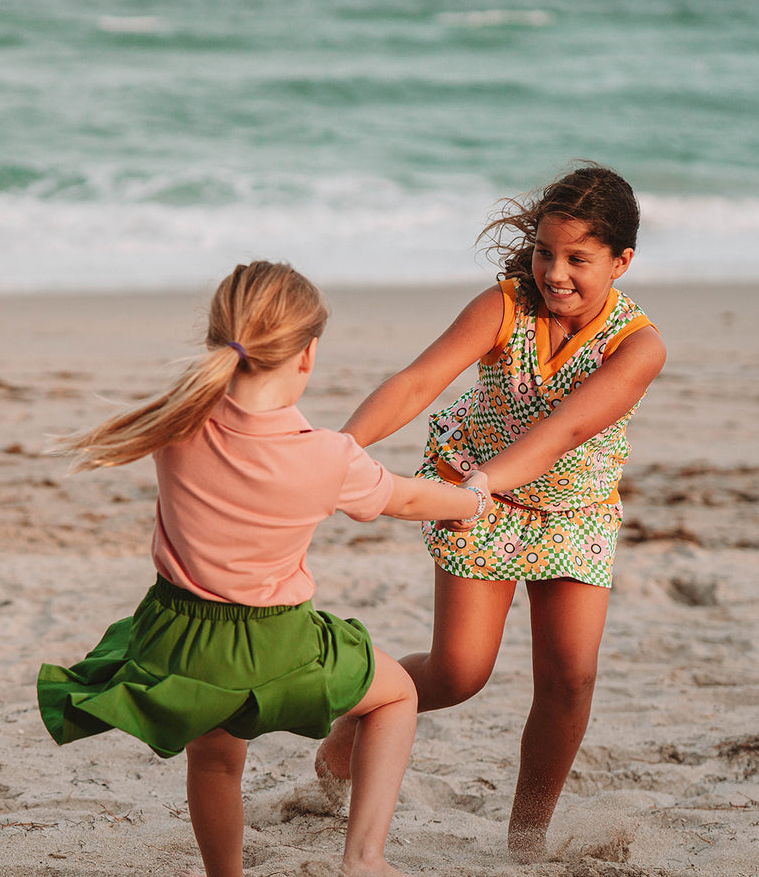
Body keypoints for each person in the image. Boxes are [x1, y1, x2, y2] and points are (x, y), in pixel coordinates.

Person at [37, 261, 491, 877]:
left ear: (218, 343)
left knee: (217, 762)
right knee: (395, 696)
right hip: (277, 644)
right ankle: (364, 857)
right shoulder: (327, 456)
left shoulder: (176, 421)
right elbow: (406, 498)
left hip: (182, 644)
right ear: (306, 356)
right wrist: (471, 501)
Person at [315, 163, 667, 863]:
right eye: (543, 251)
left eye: (577, 259)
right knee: (458, 673)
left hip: (571, 507)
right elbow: (418, 380)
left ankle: (527, 837)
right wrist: (337, 450)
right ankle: (342, 741)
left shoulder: (637, 347)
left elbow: (563, 432)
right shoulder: (503, 305)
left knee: (570, 676)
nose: (553, 272)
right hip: (477, 496)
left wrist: (483, 484)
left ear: (621, 262)